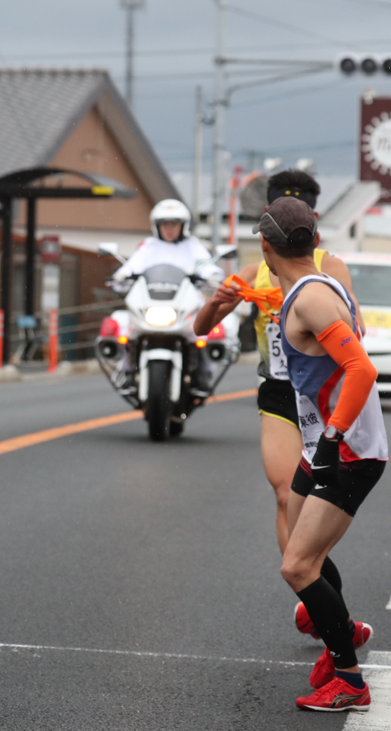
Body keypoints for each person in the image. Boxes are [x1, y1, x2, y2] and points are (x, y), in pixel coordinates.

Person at [194, 170, 361, 639]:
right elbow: (201, 329)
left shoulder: (331, 267)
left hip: (324, 396)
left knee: (314, 509)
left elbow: (355, 337)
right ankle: (317, 598)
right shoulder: (254, 271)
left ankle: (324, 601)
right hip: (279, 393)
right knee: (287, 494)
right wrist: (219, 300)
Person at [258, 196, 386, 711]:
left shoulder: (310, 298)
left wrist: (332, 439)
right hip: (326, 443)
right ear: (312, 239)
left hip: (347, 448)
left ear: (267, 245)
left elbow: (362, 370)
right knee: (295, 524)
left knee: (298, 566)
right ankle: (343, 635)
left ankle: (351, 681)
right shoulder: (318, 287)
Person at [112, 198, 224, 287]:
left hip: (187, 301)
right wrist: (122, 275)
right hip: (151, 300)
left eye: (174, 225)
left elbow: (204, 264)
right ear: (157, 226)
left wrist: (213, 274)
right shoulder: (149, 246)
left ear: (183, 226)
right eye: (165, 225)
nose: (169, 230)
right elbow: (133, 265)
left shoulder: (192, 245)